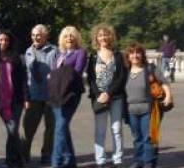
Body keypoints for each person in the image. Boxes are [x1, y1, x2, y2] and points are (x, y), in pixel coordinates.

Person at [125, 43, 173, 168]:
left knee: (149, 137)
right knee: (137, 138)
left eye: (138, 52)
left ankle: (148, 162)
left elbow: (164, 83)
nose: (135, 55)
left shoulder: (150, 68)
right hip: (132, 110)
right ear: (128, 56)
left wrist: (168, 96)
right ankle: (138, 161)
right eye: (132, 53)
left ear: (142, 55)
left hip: (149, 109)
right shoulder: (126, 71)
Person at [86, 24, 127, 168]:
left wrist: (108, 93)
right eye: (100, 35)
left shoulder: (118, 55)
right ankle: (100, 159)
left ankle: (118, 158)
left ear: (111, 37)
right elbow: (90, 79)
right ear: (96, 38)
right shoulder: (92, 56)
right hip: (98, 98)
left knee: (116, 129)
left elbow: (121, 77)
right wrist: (99, 95)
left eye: (106, 34)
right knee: (100, 130)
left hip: (116, 97)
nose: (103, 37)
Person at [50, 26, 87, 168]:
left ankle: (56, 162)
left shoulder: (80, 52)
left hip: (71, 94)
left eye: (72, 36)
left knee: (60, 128)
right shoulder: (60, 55)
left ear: (76, 38)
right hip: (57, 94)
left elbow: (76, 71)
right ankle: (70, 162)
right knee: (62, 128)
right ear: (62, 39)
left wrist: (58, 75)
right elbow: (53, 72)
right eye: (66, 36)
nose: (69, 39)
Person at [22, 24, 58, 165]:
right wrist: (26, 96)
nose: (35, 37)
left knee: (50, 128)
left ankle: (46, 155)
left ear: (45, 36)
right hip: (33, 95)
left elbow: (59, 71)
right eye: (33, 35)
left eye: (38, 35)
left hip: (51, 95)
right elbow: (26, 75)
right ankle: (24, 155)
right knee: (28, 128)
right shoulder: (28, 51)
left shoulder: (55, 50)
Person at [0, 30, 28, 168]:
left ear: (9, 42)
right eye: (0, 39)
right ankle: (17, 158)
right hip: (0, 100)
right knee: (11, 130)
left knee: (12, 129)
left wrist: (26, 98)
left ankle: (12, 159)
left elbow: (23, 80)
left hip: (16, 99)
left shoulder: (15, 58)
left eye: (6, 40)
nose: (3, 42)